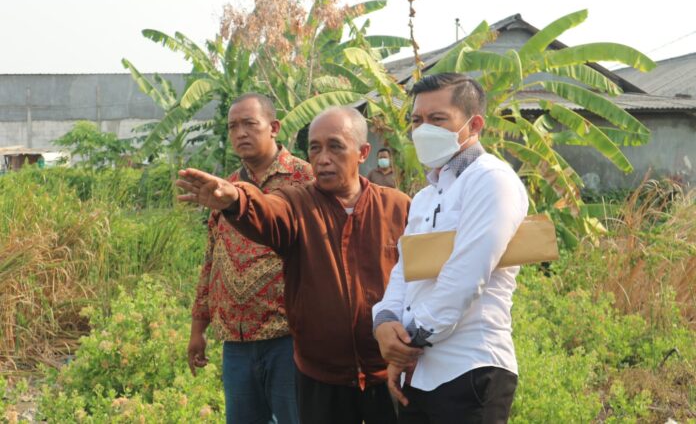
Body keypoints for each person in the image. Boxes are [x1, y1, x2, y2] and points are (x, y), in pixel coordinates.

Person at [178, 106, 411, 424]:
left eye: (335, 146)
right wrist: (236, 200)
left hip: (386, 371)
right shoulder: (296, 202)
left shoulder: (397, 207)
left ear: (363, 152)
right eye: (315, 148)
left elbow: (421, 281)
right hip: (320, 377)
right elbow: (265, 211)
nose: (323, 158)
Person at [372, 73, 529, 424]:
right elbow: (404, 270)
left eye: (437, 119)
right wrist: (384, 320)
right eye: (416, 120)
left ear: (474, 124)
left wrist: (406, 342)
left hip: (469, 369)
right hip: (421, 372)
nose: (422, 129)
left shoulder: (492, 180)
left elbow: (464, 277)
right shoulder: (426, 197)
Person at [188, 93, 313, 424]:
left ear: (273, 127)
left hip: (289, 338)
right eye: (233, 126)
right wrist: (198, 328)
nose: (240, 132)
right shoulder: (224, 188)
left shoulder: (306, 179)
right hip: (237, 344)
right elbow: (212, 259)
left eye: (249, 124)